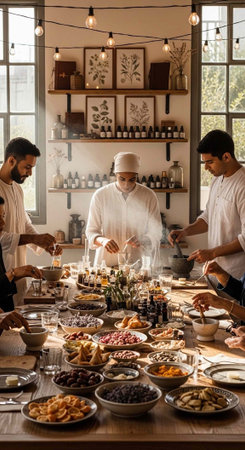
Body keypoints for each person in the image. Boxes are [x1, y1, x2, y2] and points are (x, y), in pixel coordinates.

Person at [168, 130, 245, 279]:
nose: (206, 168)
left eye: (210, 162)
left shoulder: (242, 185)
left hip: (236, 276)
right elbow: (208, 218)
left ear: (226, 156)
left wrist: (212, 253)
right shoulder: (217, 179)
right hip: (214, 272)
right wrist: (185, 231)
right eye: (204, 162)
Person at [0, 137, 62, 304]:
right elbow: (0, 238)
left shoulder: (18, 189)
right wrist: (34, 239)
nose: (30, 173)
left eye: (32, 168)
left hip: (20, 271)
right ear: (11, 160)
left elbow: (24, 222)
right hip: (3, 275)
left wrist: (43, 243)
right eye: (27, 167)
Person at [86, 152, 162, 269]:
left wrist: (142, 240)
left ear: (137, 176)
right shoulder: (101, 195)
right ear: (115, 174)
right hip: (105, 265)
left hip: (137, 265)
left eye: (132, 180)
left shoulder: (148, 196)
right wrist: (103, 241)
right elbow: (91, 232)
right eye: (122, 179)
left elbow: (156, 233)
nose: (126, 185)